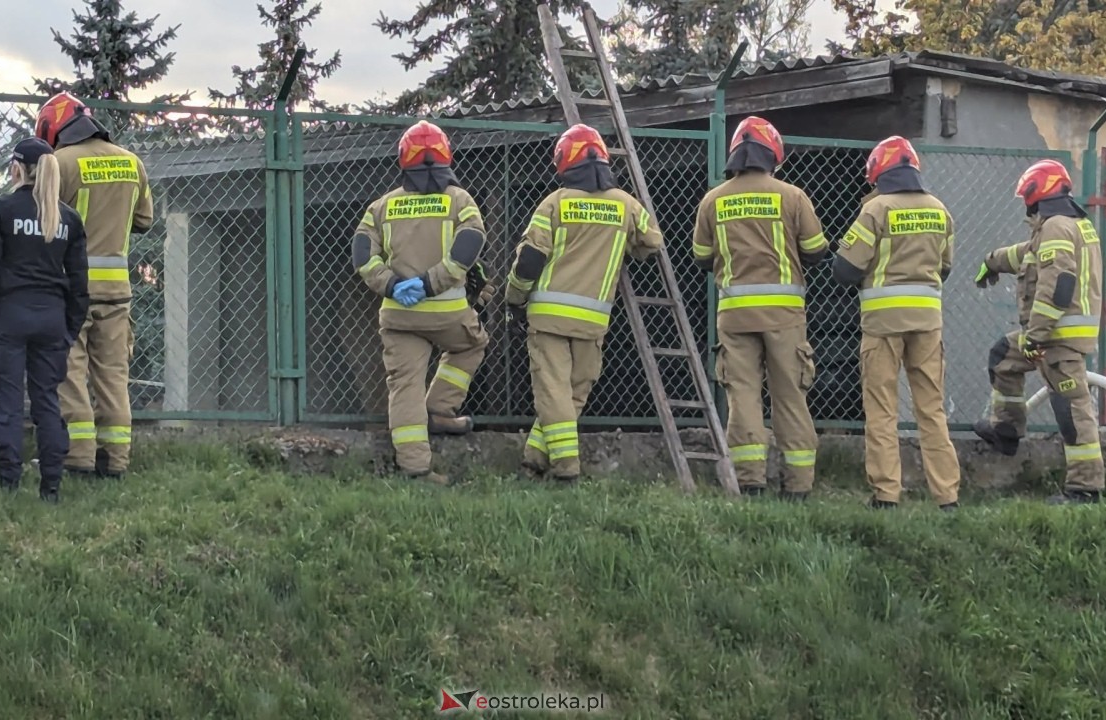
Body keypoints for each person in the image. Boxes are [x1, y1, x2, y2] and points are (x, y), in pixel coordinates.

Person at [505, 123, 663, 483]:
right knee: (573, 392)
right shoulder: (626, 205)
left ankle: (565, 471)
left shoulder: (555, 203)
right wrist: (627, 244)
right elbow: (652, 243)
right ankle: (533, 461)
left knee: (553, 392)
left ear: (564, 163)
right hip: (593, 320)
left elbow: (529, 259)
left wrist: (513, 299)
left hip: (547, 317)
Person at [692, 116, 828, 500]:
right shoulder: (792, 196)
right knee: (789, 395)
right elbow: (817, 250)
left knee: (743, 396)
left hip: (734, 314)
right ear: (773, 155)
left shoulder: (713, 199)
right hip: (784, 316)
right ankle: (798, 486)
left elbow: (701, 257)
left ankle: (750, 481)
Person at [352, 120, 494, 485]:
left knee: (404, 385)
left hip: (400, 314)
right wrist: (433, 282)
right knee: (471, 346)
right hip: (448, 312)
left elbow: (362, 253)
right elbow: (470, 244)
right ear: (447, 156)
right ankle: (441, 409)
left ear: (404, 159)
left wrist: (393, 285)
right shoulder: (459, 200)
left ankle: (416, 470)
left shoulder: (382, 207)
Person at [832, 136, 961, 510]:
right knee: (931, 410)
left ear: (877, 174)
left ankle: (887, 495)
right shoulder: (940, 210)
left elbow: (845, 269)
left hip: (883, 326)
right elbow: (945, 267)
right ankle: (947, 497)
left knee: (882, 409)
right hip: (927, 324)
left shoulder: (876, 210)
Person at [35, 92, 151, 480]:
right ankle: (115, 462)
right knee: (114, 377)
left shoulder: (59, 163)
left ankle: (79, 458)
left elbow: (41, 221)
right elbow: (143, 221)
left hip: (71, 290)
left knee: (70, 374)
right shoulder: (132, 162)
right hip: (117, 293)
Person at [973, 159, 1103, 505]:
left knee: (1072, 410)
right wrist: (992, 260)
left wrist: (1035, 336)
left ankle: (1084, 490)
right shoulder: (1068, 225)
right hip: (1053, 334)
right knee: (1003, 357)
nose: (1025, 208)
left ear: (1036, 196)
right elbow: (1028, 256)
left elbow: (1058, 284)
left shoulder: (1056, 228)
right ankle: (1006, 430)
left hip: (1055, 337)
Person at [0, 137, 89, 501]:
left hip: (7, 319)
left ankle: (9, 485)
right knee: (47, 404)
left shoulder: (2, 210)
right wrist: (69, 330)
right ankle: (50, 489)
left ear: (17, 168)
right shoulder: (68, 219)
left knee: (8, 405)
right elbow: (80, 285)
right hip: (51, 321)